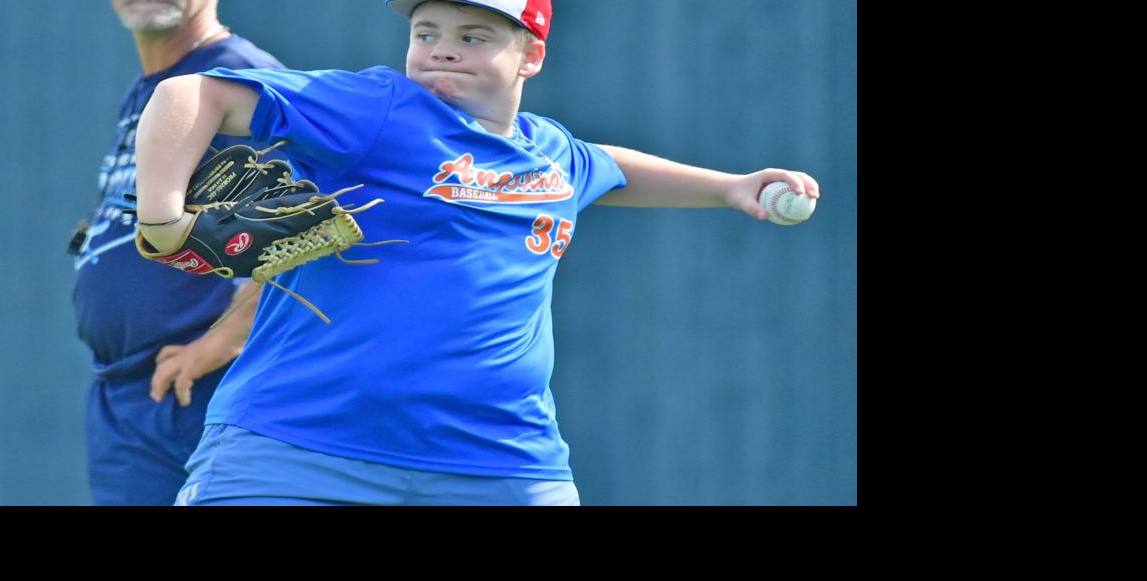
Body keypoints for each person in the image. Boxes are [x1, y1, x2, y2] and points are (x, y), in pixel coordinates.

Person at [134, 0, 820, 506]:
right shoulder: (381, 108)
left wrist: (730, 187)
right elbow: (191, 93)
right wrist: (162, 216)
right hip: (297, 450)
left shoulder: (549, 157)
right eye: (425, 32)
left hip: (499, 461)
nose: (442, 50)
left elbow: (608, 168)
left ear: (530, 55)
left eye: (474, 35)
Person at [71, 0, 286, 505]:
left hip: (204, 391)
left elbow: (318, 226)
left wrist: (229, 336)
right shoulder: (149, 89)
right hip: (130, 392)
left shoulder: (241, 78)